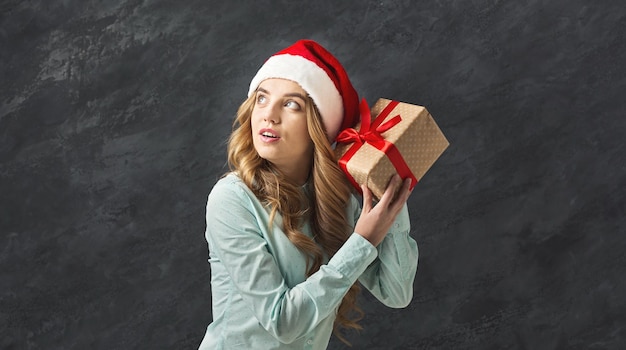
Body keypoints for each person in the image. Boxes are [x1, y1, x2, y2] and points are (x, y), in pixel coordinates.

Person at [199, 39, 419, 350]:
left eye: (291, 104)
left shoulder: (336, 200)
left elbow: (396, 293)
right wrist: (363, 242)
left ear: (319, 126)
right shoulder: (232, 199)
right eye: (261, 99)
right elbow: (283, 322)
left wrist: (391, 188)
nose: (269, 115)